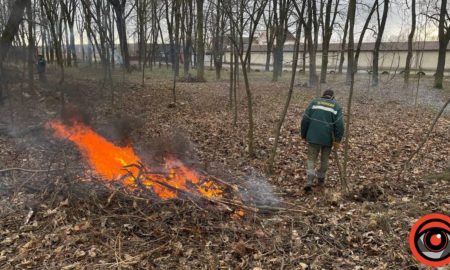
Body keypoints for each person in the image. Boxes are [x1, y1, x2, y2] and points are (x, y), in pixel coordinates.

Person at [300, 89, 344, 193]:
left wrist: (304, 134)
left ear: (323, 95)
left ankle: (310, 180)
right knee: (324, 160)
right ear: (332, 97)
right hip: (328, 138)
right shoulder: (336, 106)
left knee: (311, 159)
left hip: (313, 137)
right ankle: (321, 180)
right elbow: (340, 125)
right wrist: (337, 140)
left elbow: (305, 119)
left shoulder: (314, 102)